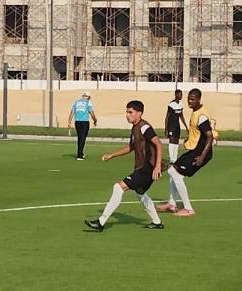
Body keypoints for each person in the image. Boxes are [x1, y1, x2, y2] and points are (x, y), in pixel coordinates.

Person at [84, 100, 164, 232]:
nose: (127, 115)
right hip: (143, 168)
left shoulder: (145, 127)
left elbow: (159, 144)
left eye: (130, 112)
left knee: (118, 187)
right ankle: (157, 222)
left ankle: (101, 222)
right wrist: (112, 155)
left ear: (139, 113)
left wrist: (157, 166)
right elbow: (131, 147)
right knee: (140, 193)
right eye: (127, 112)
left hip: (148, 168)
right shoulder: (135, 128)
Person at [159, 88, 215, 217]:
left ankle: (188, 209)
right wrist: (190, 139)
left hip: (200, 153)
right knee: (173, 170)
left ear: (199, 99)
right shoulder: (196, 111)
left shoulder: (201, 116)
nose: (189, 101)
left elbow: (210, 136)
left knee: (174, 172)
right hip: (194, 150)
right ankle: (172, 204)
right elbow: (198, 133)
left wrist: (201, 156)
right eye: (189, 99)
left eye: (192, 99)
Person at [68, 92, 97, 160]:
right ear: (88, 97)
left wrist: (69, 122)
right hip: (85, 122)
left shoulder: (76, 102)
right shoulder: (88, 103)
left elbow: (72, 112)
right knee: (83, 138)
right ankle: (79, 155)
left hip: (77, 122)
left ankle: (81, 153)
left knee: (80, 137)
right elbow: (92, 113)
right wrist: (95, 120)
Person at [164, 89, 188, 163]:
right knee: (172, 140)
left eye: (182, 95)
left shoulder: (181, 104)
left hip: (177, 125)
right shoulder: (171, 104)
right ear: (176, 95)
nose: (181, 96)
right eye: (180, 94)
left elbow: (181, 116)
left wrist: (186, 127)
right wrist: (166, 128)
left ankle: (175, 157)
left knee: (176, 141)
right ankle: (172, 158)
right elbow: (167, 116)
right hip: (171, 125)